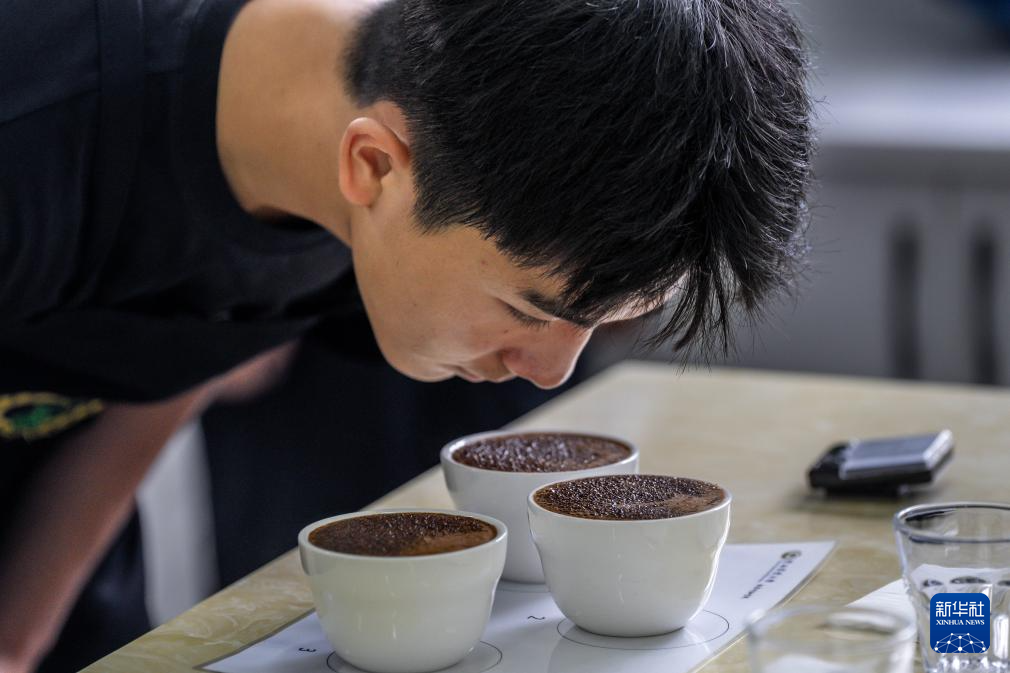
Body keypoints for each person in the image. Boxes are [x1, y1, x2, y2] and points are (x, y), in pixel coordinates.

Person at [0, 0, 814, 670]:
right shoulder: (34, 133)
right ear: (375, 165)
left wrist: (20, 633)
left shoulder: (387, 141)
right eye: (529, 310)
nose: (548, 373)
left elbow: (164, 356)